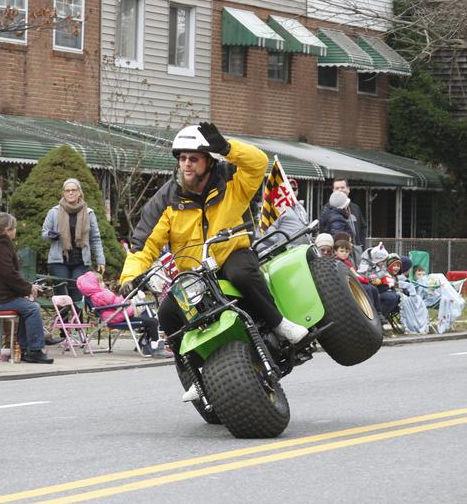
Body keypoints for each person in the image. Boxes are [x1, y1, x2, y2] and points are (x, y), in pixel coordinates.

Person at [119, 121, 309, 395]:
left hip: (231, 253)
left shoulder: (232, 178)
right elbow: (143, 244)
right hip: (195, 274)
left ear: (209, 161)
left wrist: (228, 148)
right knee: (168, 313)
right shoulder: (166, 199)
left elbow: (258, 163)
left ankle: (280, 325)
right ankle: (197, 374)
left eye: (194, 159)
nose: (187, 165)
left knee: (242, 273)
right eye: (183, 159)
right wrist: (129, 277)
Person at [0, 213, 54, 364]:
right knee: (32, 308)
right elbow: (9, 275)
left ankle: (23, 348)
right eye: (14, 228)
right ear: (7, 230)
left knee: (27, 307)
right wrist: (28, 289)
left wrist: (27, 288)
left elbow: (6, 276)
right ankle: (34, 350)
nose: (16, 231)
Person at [76, 271, 170, 358]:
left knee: (150, 322)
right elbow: (117, 303)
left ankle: (146, 343)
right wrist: (127, 297)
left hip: (118, 317)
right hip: (118, 318)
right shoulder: (102, 295)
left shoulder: (98, 295)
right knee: (152, 322)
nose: (103, 283)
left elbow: (115, 303)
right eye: (100, 282)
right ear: (93, 285)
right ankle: (156, 347)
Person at [41, 178, 106, 304]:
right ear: (63, 193)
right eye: (67, 190)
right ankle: (63, 322)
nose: (70, 193)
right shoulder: (54, 212)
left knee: (78, 294)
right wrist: (50, 235)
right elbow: (44, 234)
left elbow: (95, 239)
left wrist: (100, 260)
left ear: (79, 193)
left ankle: (77, 322)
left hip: (81, 261)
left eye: (73, 190)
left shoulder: (89, 213)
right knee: (63, 296)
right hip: (59, 261)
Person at [332, 233, 383, 322]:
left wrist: (366, 279)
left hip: (354, 281)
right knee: (367, 289)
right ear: (335, 251)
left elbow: (355, 273)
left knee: (373, 289)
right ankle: (370, 314)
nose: (344, 254)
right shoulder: (337, 262)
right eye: (342, 251)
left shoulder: (347, 262)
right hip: (347, 284)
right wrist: (365, 279)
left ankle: (378, 313)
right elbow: (353, 275)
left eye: (346, 252)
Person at [259, 177, 310, 252]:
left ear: (297, 191)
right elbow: (269, 229)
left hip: (300, 250)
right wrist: (280, 246)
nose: (292, 191)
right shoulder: (277, 207)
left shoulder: (300, 208)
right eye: (288, 188)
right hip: (284, 252)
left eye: (294, 189)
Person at [332, 178, 367, 249]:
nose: (340, 190)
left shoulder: (355, 208)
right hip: (336, 251)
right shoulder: (328, 209)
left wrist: (360, 245)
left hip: (355, 250)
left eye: (342, 187)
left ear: (348, 189)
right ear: (333, 191)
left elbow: (363, 227)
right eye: (337, 188)